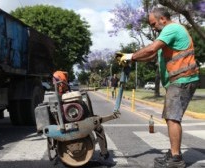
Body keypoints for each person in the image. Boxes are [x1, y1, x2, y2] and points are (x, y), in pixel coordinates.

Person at [120, 7, 199, 168]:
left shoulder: (171, 28)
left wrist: (131, 56)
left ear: (163, 19)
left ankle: (176, 159)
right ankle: (173, 152)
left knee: (172, 117)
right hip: (179, 80)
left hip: (183, 79)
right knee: (171, 117)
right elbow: (150, 55)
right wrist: (132, 59)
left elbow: (151, 48)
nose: (153, 27)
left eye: (153, 23)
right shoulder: (168, 35)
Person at [52, 71, 115, 166]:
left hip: (68, 121)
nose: (53, 83)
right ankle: (104, 153)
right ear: (63, 81)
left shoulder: (58, 95)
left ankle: (58, 153)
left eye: (54, 81)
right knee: (98, 127)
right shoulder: (60, 94)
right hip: (73, 121)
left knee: (97, 124)